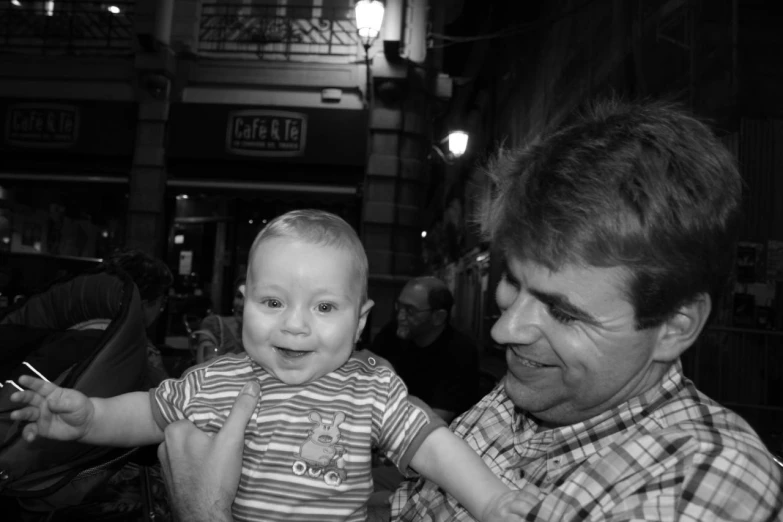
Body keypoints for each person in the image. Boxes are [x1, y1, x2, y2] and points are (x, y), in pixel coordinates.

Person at [390, 99, 783, 520]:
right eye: (513, 282)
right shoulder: (542, 389)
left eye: (563, 313)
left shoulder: (702, 482)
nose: (505, 330)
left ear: (673, 326)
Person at [11, 209, 536, 522]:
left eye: (325, 307)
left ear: (360, 321)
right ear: (245, 302)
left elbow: (432, 446)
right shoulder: (218, 380)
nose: (294, 326)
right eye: (273, 302)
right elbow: (150, 412)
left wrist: (489, 501)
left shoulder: (369, 388)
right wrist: (89, 419)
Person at [370, 276, 480, 424]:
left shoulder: (460, 352)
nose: (400, 316)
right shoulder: (391, 334)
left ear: (438, 317)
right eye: (399, 306)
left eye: (410, 311)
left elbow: (433, 421)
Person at [100, 248, 174, 386]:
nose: (160, 310)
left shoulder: (77, 326)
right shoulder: (144, 356)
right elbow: (168, 401)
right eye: (161, 302)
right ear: (143, 305)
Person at [193, 275, 246, 363]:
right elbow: (204, 368)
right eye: (239, 296)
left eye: (248, 299)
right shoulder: (214, 324)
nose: (241, 304)